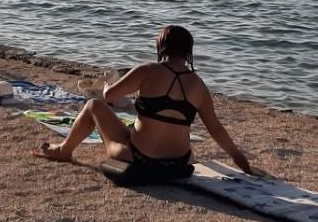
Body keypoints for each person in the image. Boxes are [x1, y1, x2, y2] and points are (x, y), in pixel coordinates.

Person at [34, 25, 251, 179]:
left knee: (94, 106)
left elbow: (110, 97)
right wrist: (241, 161)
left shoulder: (148, 70)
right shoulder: (199, 84)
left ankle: (63, 151)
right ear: (187, 51)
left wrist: (108, 84)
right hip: (180, 162)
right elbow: (215, 128)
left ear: (161, 46)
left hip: (140, 158)